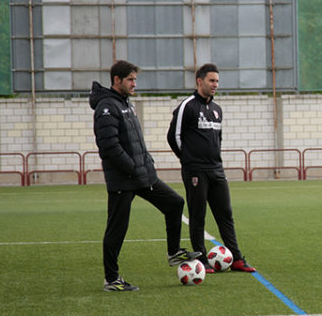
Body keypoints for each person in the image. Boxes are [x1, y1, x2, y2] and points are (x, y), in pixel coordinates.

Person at [90, 60, 200, 291]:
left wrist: (145, 163)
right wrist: (131, 166)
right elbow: (109, 147)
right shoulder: (107, 107)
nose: (134, 84)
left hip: (141, 176)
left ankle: (173, 253)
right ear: (117, 80)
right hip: (123, 178)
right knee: (117, 228)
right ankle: (111, 279)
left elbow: (134, 141)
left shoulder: (125, 103)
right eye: (130, 79)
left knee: (174, 203)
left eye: (135, 79)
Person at [167, 63, 256, 273]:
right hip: (195, 171)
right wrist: (188, 160)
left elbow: (218, 139)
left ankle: (236, 258)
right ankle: (201, 259)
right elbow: (173, 137)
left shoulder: (217, 110)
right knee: (198, 215)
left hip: (216, 169)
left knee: (225, 213)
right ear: (200, 81)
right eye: (211, 81)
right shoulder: (186, 106)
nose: (215, 85)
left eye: (217, 81)